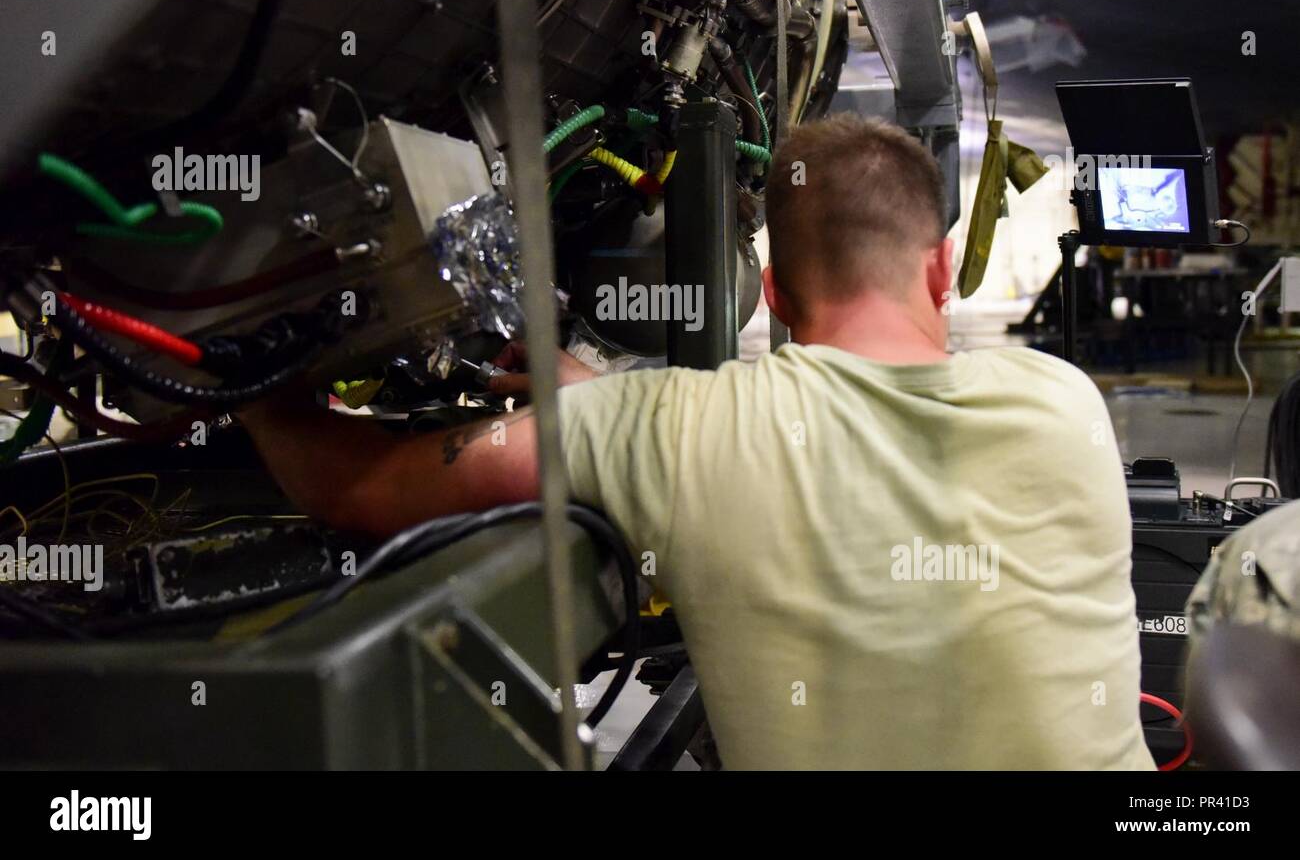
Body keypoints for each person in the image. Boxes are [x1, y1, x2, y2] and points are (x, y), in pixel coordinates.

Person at [239, 113, 1153, 770]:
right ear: (943, 270)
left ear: (779, 299)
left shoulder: (677, 433)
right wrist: (609, 403)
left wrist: (244, 389)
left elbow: (357, 488)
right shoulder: (1065, 404)